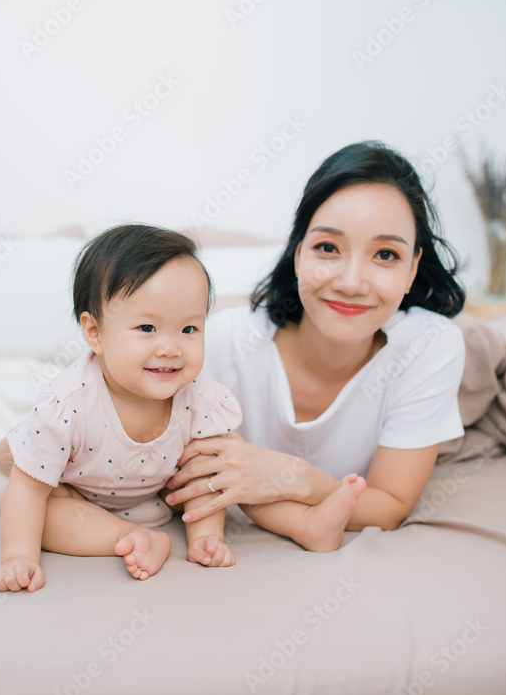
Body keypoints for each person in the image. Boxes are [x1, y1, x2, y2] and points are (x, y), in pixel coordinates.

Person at [164, 141, 466, 551]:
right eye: (327, 248)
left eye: (385, 254)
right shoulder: (222, 342)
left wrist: (292, 475)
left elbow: (391, 505)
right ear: (297, 251)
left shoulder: (430, 344)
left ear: (413, 268)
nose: (351, 282)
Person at [0, 224, 246, 591]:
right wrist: (18, 557)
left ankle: (202, 536)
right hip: (76, 488)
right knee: (32, 505)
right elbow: (27, 491)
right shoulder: (67, 405)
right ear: (95, 333)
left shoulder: (200, 400)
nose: (170, 348)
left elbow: (207, 479)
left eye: (189, 329)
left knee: (213, 467)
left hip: (155, 492)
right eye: (147, 327)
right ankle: (130, 535)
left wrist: (207, 535)